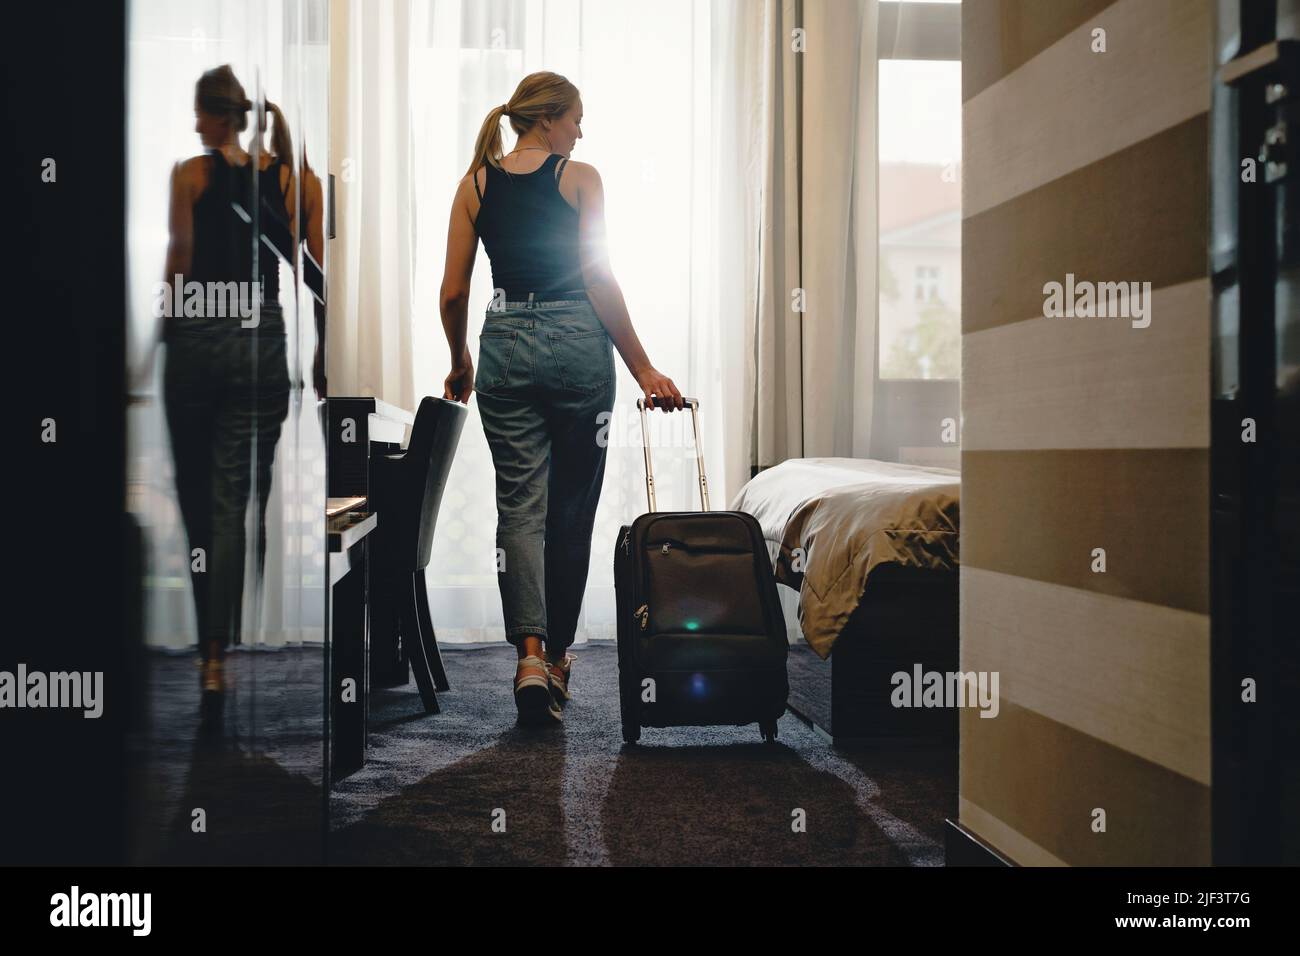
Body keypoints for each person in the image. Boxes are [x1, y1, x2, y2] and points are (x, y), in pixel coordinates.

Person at [439, 71, 683, 725]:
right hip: (577, 346)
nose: (581, 131)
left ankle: (529, 657)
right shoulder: (580, 178)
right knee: (571, 511)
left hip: (505, 346)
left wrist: (460, 358)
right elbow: (597, 275)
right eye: (577, 118)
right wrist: (644, 368)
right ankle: (560, 658)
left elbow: (453, 294)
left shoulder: (476, 183)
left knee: (520, 506)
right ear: (549, 120)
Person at [158, 65, 295, 725]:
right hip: (258, 337)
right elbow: (298, 261)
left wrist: (161, 335)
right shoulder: (279, 174)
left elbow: (179, 259)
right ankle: (218, 657)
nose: (194, 127)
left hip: (196, 338)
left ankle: (209, 652)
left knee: (196, 499)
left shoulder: (191, 174)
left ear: (217, 118)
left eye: (199, 114)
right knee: (232, 501)